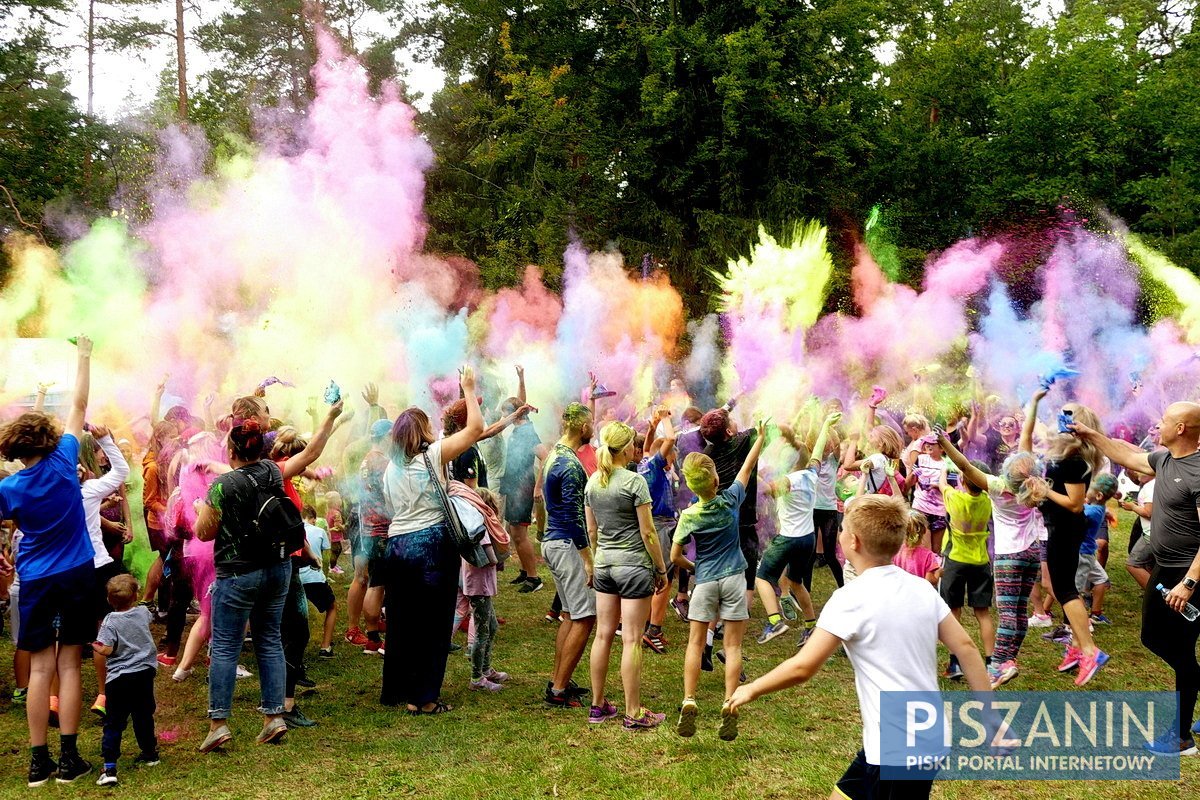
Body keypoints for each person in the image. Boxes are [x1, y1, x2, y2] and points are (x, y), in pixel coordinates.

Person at [725, 494, 991, 800]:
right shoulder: (921, 588)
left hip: (898, 745)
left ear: (853, 541)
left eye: (841, 529)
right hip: (919, 735)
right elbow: (967, 647)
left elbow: (803, 667)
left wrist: (752, 689)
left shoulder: (850, 598)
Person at [194, 396, 343, 751]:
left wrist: (202, 506)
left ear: (231, 451)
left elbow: (203, 533)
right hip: (277, 569)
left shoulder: (222, 486)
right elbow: (311, 454)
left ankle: (218, 724)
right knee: (269, 641)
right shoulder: (272, 471)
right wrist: (331, 416)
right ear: (259, 449)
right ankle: (274, 718)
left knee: (227, 646)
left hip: (238, 574)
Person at [1072, 403, 1200, 753]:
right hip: (1165, 566)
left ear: (1182, 429)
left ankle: (1182, 736)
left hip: (1189, 574)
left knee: (1181, 648)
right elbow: (1129, 457)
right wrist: (1091, 435)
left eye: (1166, 421)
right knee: (1154, 637)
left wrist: (1188, 584)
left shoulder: (1198, 471)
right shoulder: (1165, 460)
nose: (1158, 424)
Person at [0, 336, 97, 786]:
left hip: (35, 577)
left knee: (40, 667)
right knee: (70, 664)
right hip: (76, 572)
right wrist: (83, 355)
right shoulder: (64, 460)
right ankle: (69, 759)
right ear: (48, 439)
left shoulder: (10, 489)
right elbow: (79, 403)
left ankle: (38, 762)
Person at [379, 366, 483, 714]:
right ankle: (423, 699)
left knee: (402, 620)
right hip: (431, 546)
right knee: (434, 622)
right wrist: (468, 387)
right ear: (422, 431)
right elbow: (476, 429)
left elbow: (391, 508)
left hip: (397, 545)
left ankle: (397, 689)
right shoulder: (433, 455)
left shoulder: (390, 468)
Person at [671, 421, 766, 741]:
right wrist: (761, 438)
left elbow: (675, 557)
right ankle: (729, 702)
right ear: (715, 480)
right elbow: (748, 465)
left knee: (696, 643)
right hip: (735, 579)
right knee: (734, 644)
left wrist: (693, 565)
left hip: (706, 581)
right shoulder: (730, 500)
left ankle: (689, 699)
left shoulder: (689, 515)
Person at [937, 427, 1044, 689]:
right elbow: (1027, 451)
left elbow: (963, 465)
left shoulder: (996, 488)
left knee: (1007, 613)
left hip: (1009, 557)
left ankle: (998, 665)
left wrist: (945, 442)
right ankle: (1009, 659)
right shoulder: (1033, 488)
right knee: (1019, 611)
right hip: (1032, 552)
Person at [585, 421, 669, 729]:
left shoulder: (593, 482)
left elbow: (591, 530)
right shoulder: (634, 482)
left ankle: (597, 706)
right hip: (634, 566)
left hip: (605, 565)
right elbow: (648, 533)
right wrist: (661, 569)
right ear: (627, 449)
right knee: (632, 639)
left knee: (603, 635)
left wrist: (594, 562)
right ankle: (633, 712)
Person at [1027, 388, 1108, 686]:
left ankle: (1089, 650)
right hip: (1059, 527)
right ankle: (1075, 647)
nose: (1060, 417)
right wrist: (1034, 403)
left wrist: (1044, 489)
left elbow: (1075, 504)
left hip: (1065, 528)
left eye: (1066, 414)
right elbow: (1028, 440)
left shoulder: (1073, 460)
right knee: (1062, 589)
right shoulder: (1065, 455)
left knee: (1065, 591)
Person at [758, 413, 840, 648]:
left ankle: (774, 622)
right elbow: (817, 452)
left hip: (788, 538)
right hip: (807, 539)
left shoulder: (788, 481)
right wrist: (824, 424)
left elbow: (764, 489)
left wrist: (755, 461)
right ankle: (809, 626)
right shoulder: (811, 474)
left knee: (762, 577)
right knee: (796, 582)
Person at [541, 402, 595, 708]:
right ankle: (558, 690)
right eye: (592, 424)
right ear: (583, 428)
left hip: (553, 542)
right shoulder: (571, 465)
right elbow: (575, 518)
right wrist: (589, 558)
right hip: (565, 544)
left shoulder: (555, 455)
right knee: (585, 616)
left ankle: (558, 679)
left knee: (569, 615)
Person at [92, 574, 159, 787]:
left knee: (114, 722)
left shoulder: (110, 621)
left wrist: (97, 646)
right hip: (144, 674)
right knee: (143, 715)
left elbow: (108, 649)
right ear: (135, 595)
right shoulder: (142, 612)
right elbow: (149, 618)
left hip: (119, 679)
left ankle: (110, 767)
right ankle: (150, 754)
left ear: (109, 600)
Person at [936, 454, 994, 681]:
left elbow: (942, 484)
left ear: (962, 479)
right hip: (980, 561)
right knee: (983, 613)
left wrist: (944, 468)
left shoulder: (954, 498)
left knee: (954, 611)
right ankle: (991, 663)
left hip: (955, 560)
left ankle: (955, 662)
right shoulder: (988, 501)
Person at [348, 418, 392, 654]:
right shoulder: (382, 461)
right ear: (386, 436)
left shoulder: (368, 459)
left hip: (367, 526)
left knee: (371, 581)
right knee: (378, 584)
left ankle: (370, 635)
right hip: (380, 528)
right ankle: (374, 639)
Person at [637, 407, 678, 654]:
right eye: (672, 456)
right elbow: (671, 439)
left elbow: (646, 449)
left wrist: (652, 428)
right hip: (661, 526)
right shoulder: (656, 467)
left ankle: (647, 625)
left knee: (654, 576)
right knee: (664, 579)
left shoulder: (644, 463)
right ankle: (654, 630)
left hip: (651, 524)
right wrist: (665, 419)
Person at [463, 488, 509, 693]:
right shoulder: (478, 528)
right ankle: (476, 677)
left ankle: (486, 669)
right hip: (478, 587)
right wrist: (500, 558)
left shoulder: (477, 525)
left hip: (481, 586)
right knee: (482, 630)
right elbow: (491, 557)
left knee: (491, 627)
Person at [299, 506, 337, 658]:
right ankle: (325, 647)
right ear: (313, 518)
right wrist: (325, 575)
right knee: (332, 607)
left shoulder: (292, 529)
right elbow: (327, 558)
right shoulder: (319, 531)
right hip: (314, 577)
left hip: (294, 577)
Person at [1079, 483, 1113, 625]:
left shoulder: (1091, 511)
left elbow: (1077, 512)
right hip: (1087, 552)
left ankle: (1082, 623)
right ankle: (1096, 614)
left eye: (1088, 491)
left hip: (1080, 553)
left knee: (1073, 591)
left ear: (1098, 495)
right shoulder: (1099, 508)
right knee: (1101, 580)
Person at [1119, 470, 1155, 590]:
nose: (1137, 473)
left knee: (1133, 564)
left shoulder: (1150, 487)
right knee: (1150, 566)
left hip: (1151, 534)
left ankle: (1157, 598)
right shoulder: (1156, 483)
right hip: (1158, 532)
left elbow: (1149, 513)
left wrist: (1133, 507)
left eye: (1141, 470)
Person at [892, 511, 941, 586]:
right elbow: (930, 581)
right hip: (919, 595)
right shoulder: (928, 556)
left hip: (901, 591)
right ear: (924, 531)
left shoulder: (896, 550)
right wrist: (938, 573)